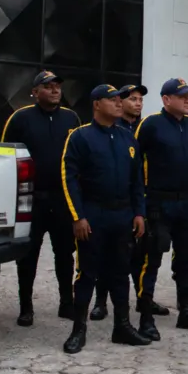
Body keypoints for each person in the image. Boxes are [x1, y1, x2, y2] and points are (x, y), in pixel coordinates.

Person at [58, 84, 150, 353]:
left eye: (121, 100)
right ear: (97, 104)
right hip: (93, 214)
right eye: (113, 100)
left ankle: (122, 326)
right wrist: (78, 216)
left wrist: (139, 212)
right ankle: (78, 329)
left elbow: (137, 180)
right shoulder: (80, 137)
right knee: (87, 273)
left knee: (120, 272)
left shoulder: (127, 138)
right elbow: (68, 179)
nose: (120, 103)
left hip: (122, 215)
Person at [133, 78, 188, 340]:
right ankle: (146, 316)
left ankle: (187, 312)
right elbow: (134, 164)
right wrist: (142, 204)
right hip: (159, 201)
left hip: (187, 202)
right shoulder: (151, 124)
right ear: (166, 99)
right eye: (182, 96)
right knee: (152, 259)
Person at [1, 70, 81, 327]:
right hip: (31, 199)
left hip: (61, 199)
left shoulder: (71, 118)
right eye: (48, 86)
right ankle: (26, 307)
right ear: (35, 92)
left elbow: (79, 157)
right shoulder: (20, 118)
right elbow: (7, 158)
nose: (55, 90)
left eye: (57, 86)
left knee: (65, 254)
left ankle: (66, 303)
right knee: (28, 255)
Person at [91, 85, 172, 322]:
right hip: (114, 203)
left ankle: (143, 298)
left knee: (144, 255)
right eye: (131, 99)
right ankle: (100, 301)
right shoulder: (109, 128)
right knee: (109, 256)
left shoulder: (146, 128)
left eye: (140, 100)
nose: (137, 103)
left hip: (143, 200)